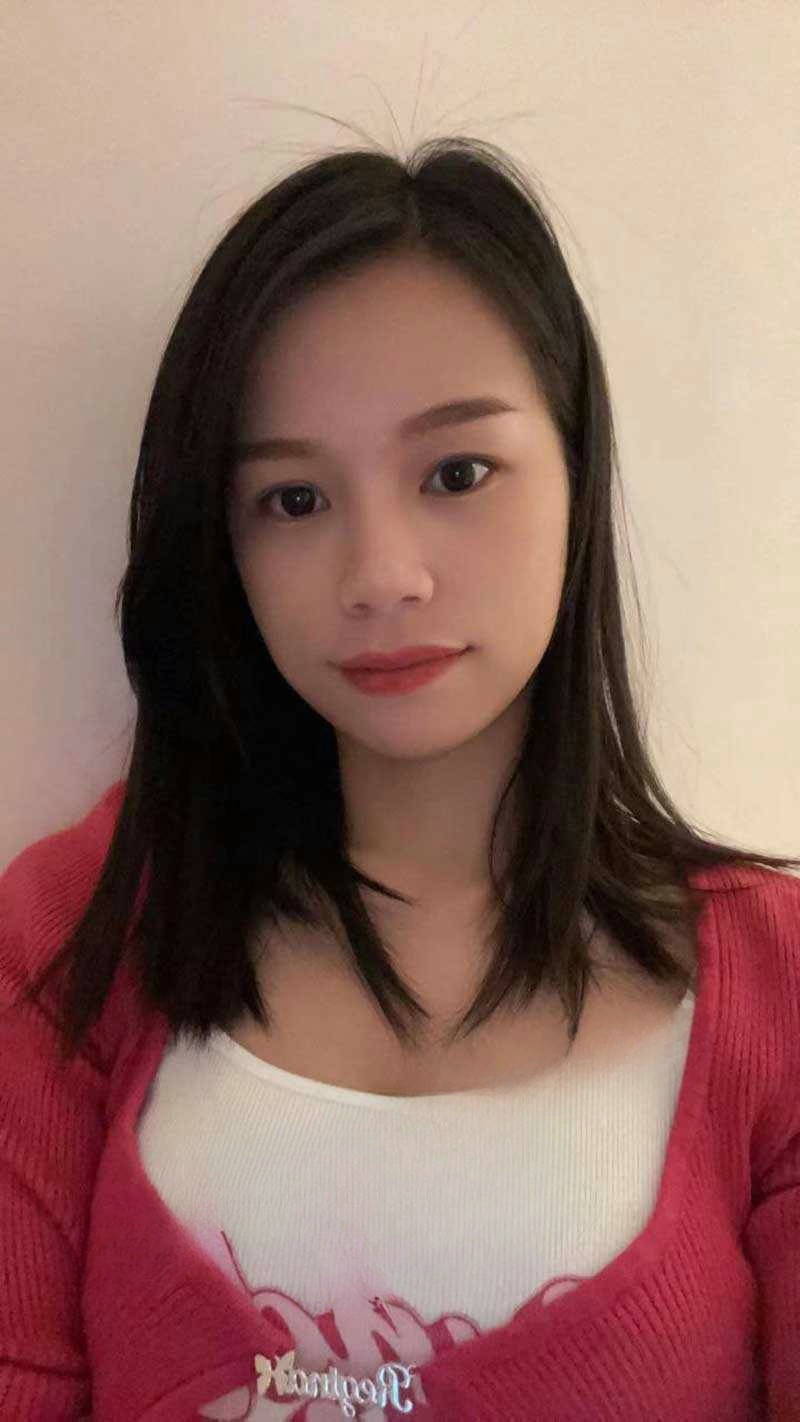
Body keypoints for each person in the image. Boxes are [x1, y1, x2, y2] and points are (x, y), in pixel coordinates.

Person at [1, 134, 798, 1421]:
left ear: (577, 475)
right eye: (293, 500)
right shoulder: (66, 943)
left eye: (455, 473)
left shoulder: (777, 989)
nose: (380, 575)